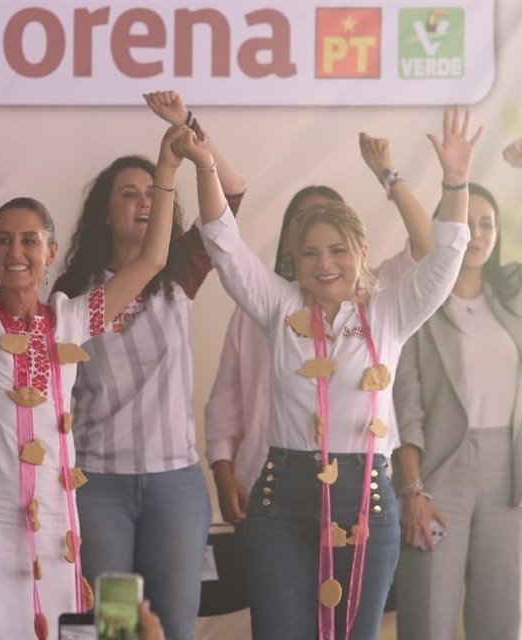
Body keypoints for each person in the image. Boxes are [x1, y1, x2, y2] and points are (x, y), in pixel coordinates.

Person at [0, 111, 191, 638]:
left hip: (54, 513)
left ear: (50, 253)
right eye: (4, 241)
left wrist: (166, 169)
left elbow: (152, 259)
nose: (15, 252)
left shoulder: (72, 319)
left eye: (29, 241)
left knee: (59, 625)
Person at [188, 107, 478, 640]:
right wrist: (205, 165)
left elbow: (444, 260)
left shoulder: (388, 311)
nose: (325, 264)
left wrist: (456, 180)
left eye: (338, 250)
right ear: (294, 260)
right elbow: (223, 244)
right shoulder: (277, 306)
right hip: (281, 502)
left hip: (366, 498)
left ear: (362, 252)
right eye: (311, 253)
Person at [53, 90, 244, 640]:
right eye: (128, 194)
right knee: (114, 629)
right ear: (104, 212)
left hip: (175, 487)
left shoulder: (181, 266)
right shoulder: (74, 288)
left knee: (175, 627)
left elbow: (232, 191)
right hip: (99, 486)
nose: (142, 201)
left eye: (149, 193)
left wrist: (189, 127)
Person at [205, 133, 435, 525]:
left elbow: (429, 249)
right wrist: (223, 470)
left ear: (356, 243)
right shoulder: (262, 305)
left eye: (334, 233)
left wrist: (389, 175)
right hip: (267, 482)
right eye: (307, 231)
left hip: (360, 489)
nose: (323, 249)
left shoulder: (380, 300)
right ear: (291, 245)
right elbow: (226, 402)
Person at [392, 181, 521, 639]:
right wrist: (412, 490)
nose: (477, 234)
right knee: (428, 620)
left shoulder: (514, 299)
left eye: (487, 224)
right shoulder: (417, 302)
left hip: (509, 481)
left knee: (503, 622)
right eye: (466, 223)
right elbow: (405, 408)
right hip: (438, 477)